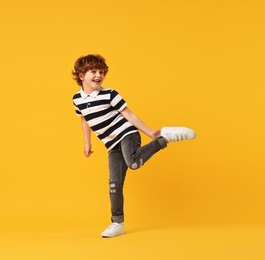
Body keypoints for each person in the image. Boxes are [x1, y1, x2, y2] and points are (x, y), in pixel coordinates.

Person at [71, 54, 196, 238]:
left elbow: (130, 115)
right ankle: (117, 223)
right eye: (93, 72)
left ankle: (165, 138)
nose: (98, 75)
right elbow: (84, 120)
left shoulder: (110, 94)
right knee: (114, 185)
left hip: (126, 133)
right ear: (81, 76)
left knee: (134, 162)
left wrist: (151, 133)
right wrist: (87, 143)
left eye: (101, 72)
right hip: (110, 144)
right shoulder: (77, 99)